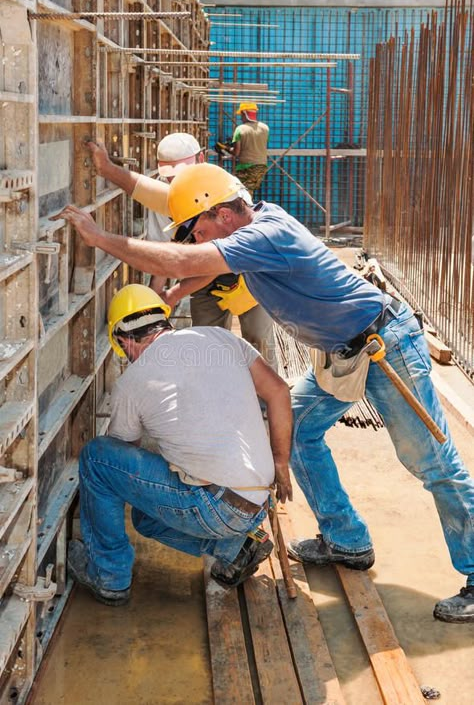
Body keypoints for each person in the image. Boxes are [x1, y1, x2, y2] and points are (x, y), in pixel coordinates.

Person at [54, 163, 474, 623]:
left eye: (197, 230)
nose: (196, 240)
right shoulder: (254, 224)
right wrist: (170, 290)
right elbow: (196, 259)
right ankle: (346, 539)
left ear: (222, 215)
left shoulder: (266, 235)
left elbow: (177, 261)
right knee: (294, 428)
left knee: (433, 464)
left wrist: (99, 238)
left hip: (384, 347)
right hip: (346, 352)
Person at [67, 284, 292, 606]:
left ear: (124, 340)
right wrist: (280, 461)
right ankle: (237, 548)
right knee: (146, 518)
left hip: (213, 507)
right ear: (163, 320)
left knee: (97, 458)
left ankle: (109, 576)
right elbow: (279, 392)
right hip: (257, 502)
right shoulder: (218, 338)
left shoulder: (132, 382)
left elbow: (121, 459)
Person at [87, 135, 278, 369]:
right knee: (206, 344)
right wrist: (155, 303)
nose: (176, 186)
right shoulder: (168, 191)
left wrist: (174, 294)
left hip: (245, 272)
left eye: (179, 178)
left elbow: (218, 261)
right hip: (201, 273)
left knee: (258, 337)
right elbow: (164, 256)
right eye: (169, 180)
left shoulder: (224, 189)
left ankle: (266, 400)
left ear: (201, 159)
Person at [231, 102, 269, 198]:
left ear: (244, 113)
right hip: (262, 166)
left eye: (241, 115)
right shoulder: (265, 128)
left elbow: (236, 152)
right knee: (248, 192)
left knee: (240, 192)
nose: (241, 117)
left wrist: (227, 149)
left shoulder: (240, 129)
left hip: (246, 167)